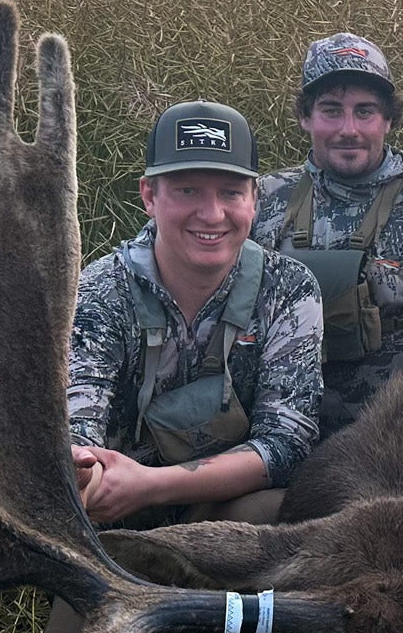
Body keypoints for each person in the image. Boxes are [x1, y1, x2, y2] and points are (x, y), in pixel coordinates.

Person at [65, 100, 324, 529]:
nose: (212, 214)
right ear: (150, 195)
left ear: (254, 199)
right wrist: (82, 472)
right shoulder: (100, 291)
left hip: (224, 511)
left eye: (230, 192)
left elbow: (288, 443)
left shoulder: (289, 289)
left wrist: (151, 484)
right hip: (111, 510)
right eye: (188, 191)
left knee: (285, 511)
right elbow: (79, 422)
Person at [252, 32, 403, 436]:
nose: (349, 129)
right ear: (304, 117)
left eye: (365, 112)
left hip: (389, 449)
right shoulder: (262, 200)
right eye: (331, 110)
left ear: (389, 119)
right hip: (271, 440)